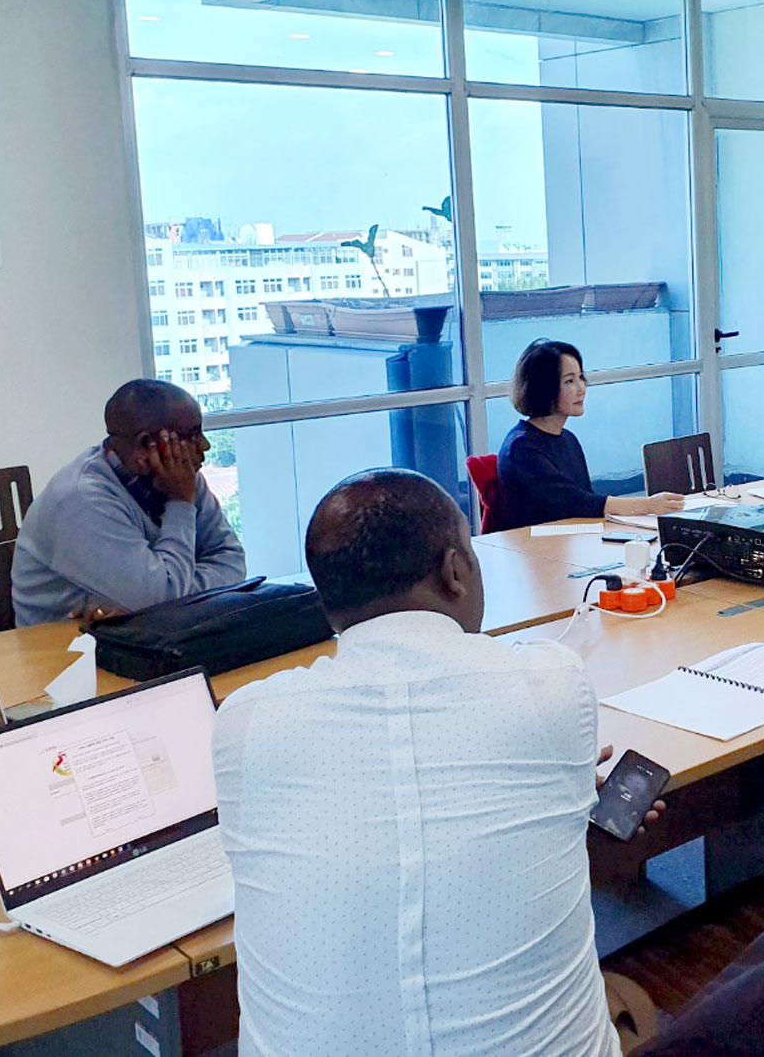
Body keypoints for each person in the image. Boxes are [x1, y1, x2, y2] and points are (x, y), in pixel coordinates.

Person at [213, 469, 657, 1057]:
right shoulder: (550, 682)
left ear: (328, 601)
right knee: (631, 998)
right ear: (455, 570)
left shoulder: (245, 722)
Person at [11, 379, 245, 626]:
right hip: (64, 654)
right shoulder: (80, 497)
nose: (205, 446)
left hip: (149, 636)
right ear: (146, 444)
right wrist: (180, 504)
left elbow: (232, 560)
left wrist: (157, 599)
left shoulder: (182, 478)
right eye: (192, 435)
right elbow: (161, 599)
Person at [496, 339, 684, 529]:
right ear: (544, 388)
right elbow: (576, 503)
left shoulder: (567, 438)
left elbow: (586, 504)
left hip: (571, 538)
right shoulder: (521, 447)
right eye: (569, 381)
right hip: (534, 548)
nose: (581, 389)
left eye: (581, 378)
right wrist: (647, 505)